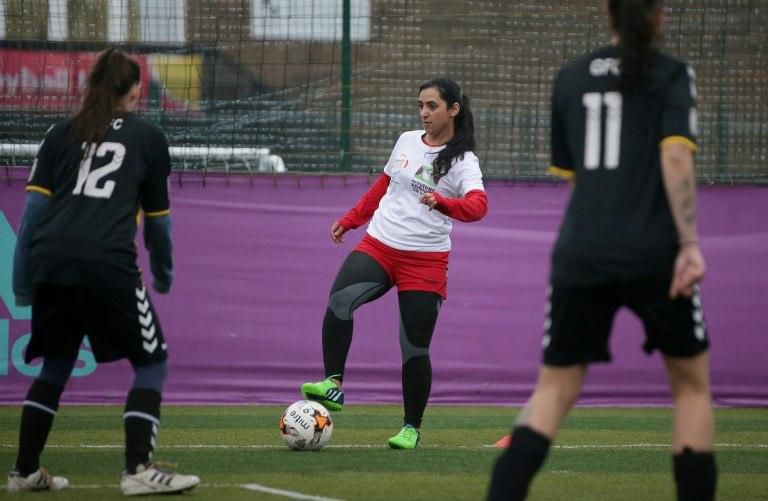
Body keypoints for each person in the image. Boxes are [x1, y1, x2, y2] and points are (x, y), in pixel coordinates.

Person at [488, 1, 716, 499]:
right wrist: (690, 245)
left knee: (552, 392)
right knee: (692, 390)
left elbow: (577, 179)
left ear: (607, 14)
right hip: (656, 253)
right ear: (661, 16)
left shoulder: (569, 78)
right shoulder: (672, 73)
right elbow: (675, 156)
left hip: (582, 253)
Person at [8, 48, 199, 496]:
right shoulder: (148, 137)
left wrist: (22, 283)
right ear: (135, 90)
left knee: (55, 366)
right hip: (107, 263)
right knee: (152, 363)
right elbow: (159, 223)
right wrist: (164, 274)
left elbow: (32, 217)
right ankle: (137, 470)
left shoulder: (60, 133)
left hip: (52, 263)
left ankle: (24, 472)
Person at [300, 78, 488, 449]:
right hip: (380, 245)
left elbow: (479, 206)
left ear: (454, 109)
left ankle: (410, 429)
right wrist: (352, 218)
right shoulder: (406, 139)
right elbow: (383, 185)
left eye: (432, 106)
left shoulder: (464, 160)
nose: (424, 112)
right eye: (420, 104)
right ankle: (332, 385)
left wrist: (444, 202)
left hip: (425, 262)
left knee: (414, 348)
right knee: (339, 301)